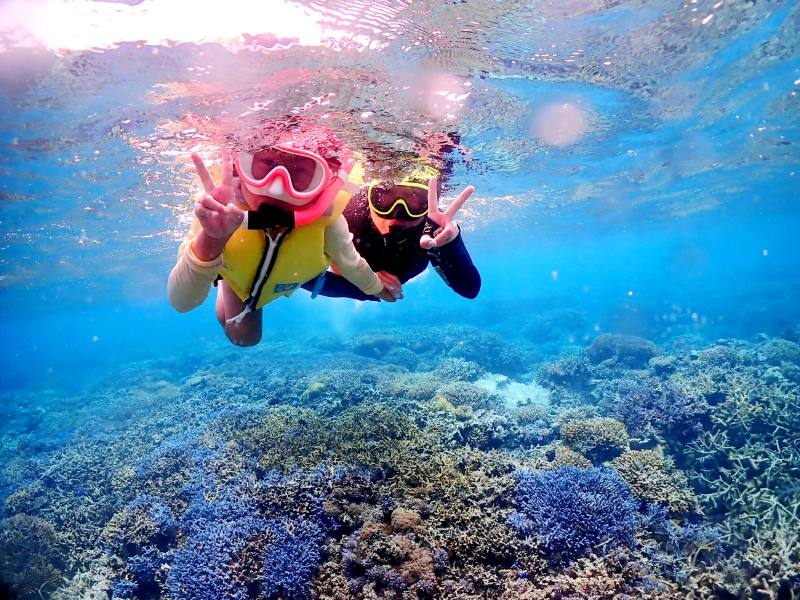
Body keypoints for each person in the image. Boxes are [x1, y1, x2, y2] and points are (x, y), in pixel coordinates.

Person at [167, 132, 398, 346]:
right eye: (266, 164)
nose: (277, 188)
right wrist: (210, 239)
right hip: (235, 268)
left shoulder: (327, 223)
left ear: (323, 184)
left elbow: (351, 263)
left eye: (300, 172)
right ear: (241, 168)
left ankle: (233, 279)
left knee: (246, 339)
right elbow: (181, 303)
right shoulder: (218, 209)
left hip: (275, 276)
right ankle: (227, 278)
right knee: (244, 337)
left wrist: (377, 289)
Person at [302, 161, 480, 301]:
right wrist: (369, 285)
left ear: (428, 204)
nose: (397, 213)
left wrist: (451, 243)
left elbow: (469, 289)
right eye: (385, 197)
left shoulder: (431, 231)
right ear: (369, 197)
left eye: (415, 201)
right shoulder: (347, 210)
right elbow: (293, 275)